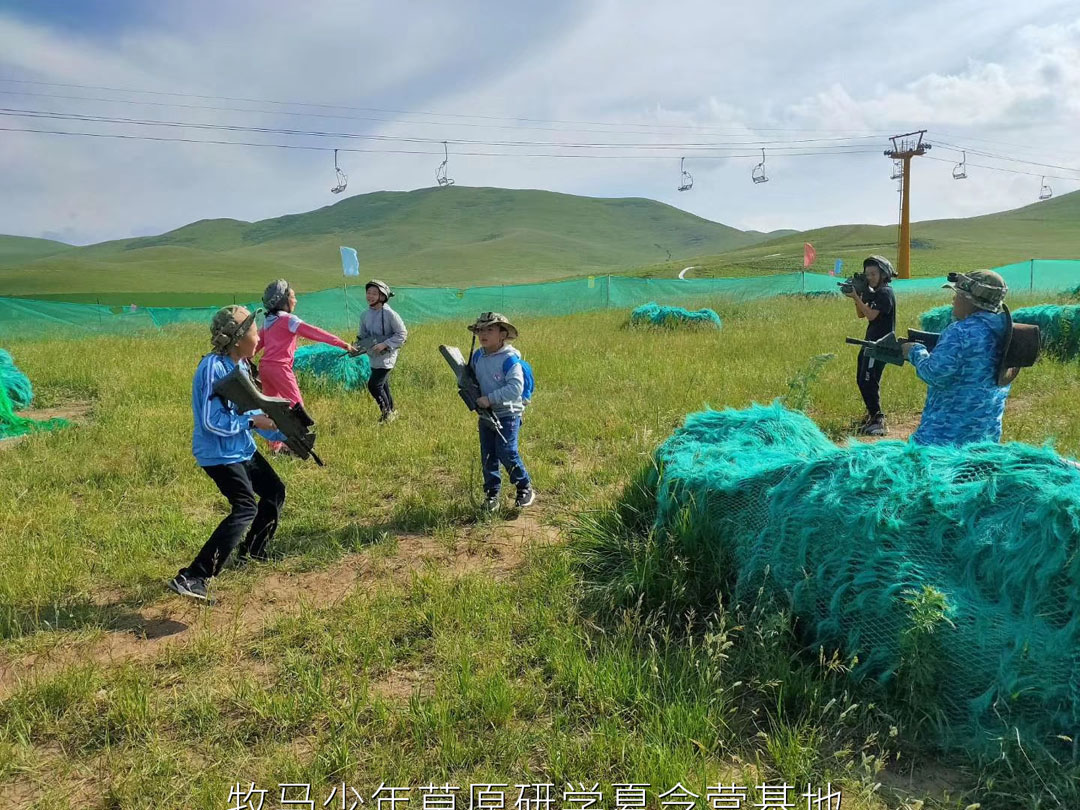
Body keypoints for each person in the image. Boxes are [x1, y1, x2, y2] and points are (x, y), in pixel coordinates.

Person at [168, 306, 288, 601]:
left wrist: (285, 435)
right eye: (254, 332)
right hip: (219, 454)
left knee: (274, 491)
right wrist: (251, 422)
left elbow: (255, 411)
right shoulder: (212, 368)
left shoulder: (243, 366)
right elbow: (211, 422)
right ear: (237, 339)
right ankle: (193, 576)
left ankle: (253, 552)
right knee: (245, 507)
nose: (259, 337)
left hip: (241, 448)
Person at [901, 270, 1014, 446]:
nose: (954, 300)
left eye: (958, 295)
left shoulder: (959, 332)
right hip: (985, 437)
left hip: (944, 437)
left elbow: (934, 373)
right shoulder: (1007, 331)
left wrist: (914, 352)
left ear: (971, 300)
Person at [256, 279, 354, 453]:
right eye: (293, 296)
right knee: (296, 407)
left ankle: (275, 446)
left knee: (273, 408)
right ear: (283, 301)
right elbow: (314, 332)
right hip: (280, 369)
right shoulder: (288, 320)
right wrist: (341, 343)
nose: (296, 300)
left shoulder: (268, 322)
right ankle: (298, 446)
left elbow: (256, 345)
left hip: (265, 369)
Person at [469, 312, 535, 511]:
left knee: (506, 451)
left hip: (508, 413)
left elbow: (515, 388)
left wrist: (490, 399)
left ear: (503, 335)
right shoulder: (478, 356)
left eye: (490, 329)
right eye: (480, 330)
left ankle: (524, 486)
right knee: (488, 455)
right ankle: (492, 494)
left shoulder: (509, 359)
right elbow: (472, 378)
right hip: (486, 414)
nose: (484, 334)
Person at [845, 255, 896, 436]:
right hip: (870, 343)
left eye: (873, 274)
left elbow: (872, 315)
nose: (870, 278)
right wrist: (856, 296)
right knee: (862, 379)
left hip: (880, 345)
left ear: (884, 274)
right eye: (867, 275)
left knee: (868, 380)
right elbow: (861, 314)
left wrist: (858, 299)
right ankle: (872, 416)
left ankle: (878, 421)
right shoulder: (876, 293)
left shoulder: (885, 293)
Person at [356, 279, 408, 422]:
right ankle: (392, 411)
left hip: (387, 355)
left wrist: (385, 344)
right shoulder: (364, 315)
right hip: (373, 356)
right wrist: (358, 346)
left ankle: (386, 415)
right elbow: (363, 335)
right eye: (368, 292)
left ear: (383, 296)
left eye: (374, 293)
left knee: (374, 385)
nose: (370, 296)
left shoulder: (391, 314)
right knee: (383, 385)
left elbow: (402, 334)